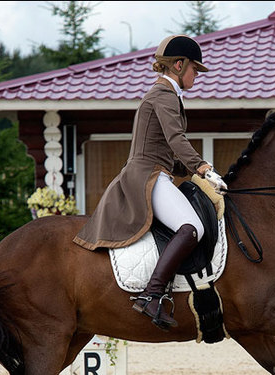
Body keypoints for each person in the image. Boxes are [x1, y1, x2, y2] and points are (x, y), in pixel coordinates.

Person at [73, 35, 227, 330]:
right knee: (192, 227)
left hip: (158, 171)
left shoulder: (168, 96)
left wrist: (198, 174)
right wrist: (204, 168)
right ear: (179, 65)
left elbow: (170, 151)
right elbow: (176, 140)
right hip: (147, 176)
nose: (197, 75)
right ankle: (152, 295)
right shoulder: (164, 95)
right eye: (195, 68)